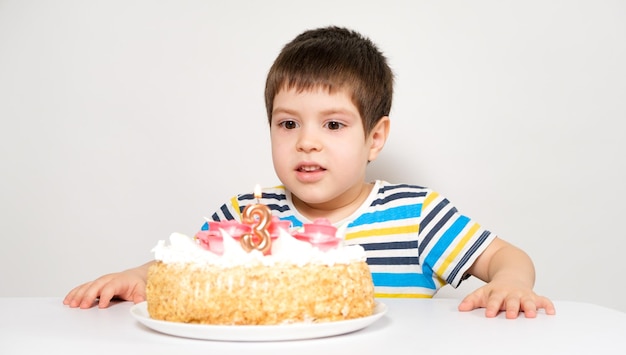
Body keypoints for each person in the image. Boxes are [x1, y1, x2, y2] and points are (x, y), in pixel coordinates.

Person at [64, 26, 555, 319]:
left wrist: (512, 284)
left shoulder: (416, 215)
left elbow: (505, 257)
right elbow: (184, 269)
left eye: (334, 124)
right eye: (288, 123)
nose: (307, 141)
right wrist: (135, 277)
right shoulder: (246, 216)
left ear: (375, 138)